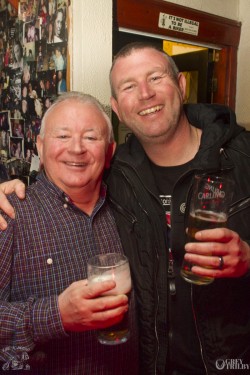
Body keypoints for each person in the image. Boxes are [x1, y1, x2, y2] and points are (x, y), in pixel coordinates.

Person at [1, 43, 250, 374]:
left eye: (155, 77)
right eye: (129, 86)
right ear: (118, 107)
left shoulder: (243, 158)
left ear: (181, 85)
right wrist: (54, 315)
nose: (145, 94)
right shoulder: (16, 212)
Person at [0, 92, 138, 374]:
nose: (76, 149)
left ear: (109, 152)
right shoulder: (9, 214)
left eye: (90, 137)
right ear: (39, 146)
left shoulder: (127, 210)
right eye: (62, 136)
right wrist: (55, 316)